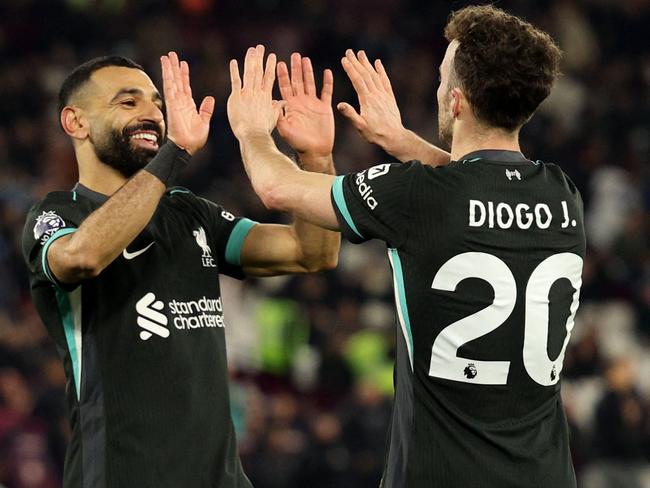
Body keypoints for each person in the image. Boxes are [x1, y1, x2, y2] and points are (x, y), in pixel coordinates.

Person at [227, 5, 584, 487]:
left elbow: (275, 187)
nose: (436, 88)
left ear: (456, 102)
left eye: (441, 80)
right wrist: (399, 140)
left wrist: (252, 131)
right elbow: (478, 186)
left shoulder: (415, 196)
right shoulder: (562, 195)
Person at [21, 51, 339, 487]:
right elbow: (81, 257)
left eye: (156, 103)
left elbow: (311, 251)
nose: (152, 114)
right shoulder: (57, 214)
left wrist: (315, 160)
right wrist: (174, 154)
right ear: (75, 122)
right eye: (128, 102)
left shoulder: (188, 211)